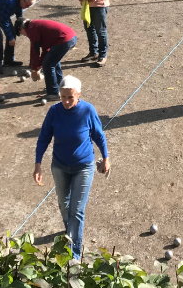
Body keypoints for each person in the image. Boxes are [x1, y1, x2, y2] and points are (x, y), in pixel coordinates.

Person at [33, 75, 109, 258]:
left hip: (83, 166)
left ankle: (74, 255)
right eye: (63, 97)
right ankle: (71, 231)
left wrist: (106, 157)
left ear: (79, 94)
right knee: (63, 204)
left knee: (77, 210)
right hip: (59, 166)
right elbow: (43, 138)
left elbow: (99, 135)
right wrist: (38, 164)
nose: (66, 101)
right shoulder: (54, 112)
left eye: (70, 97)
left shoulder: (88, 111)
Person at [19, 17, 78, 104]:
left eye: (21, 33)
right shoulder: (35, 25)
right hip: (71, 36)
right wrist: (38, 66)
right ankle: (59, 86)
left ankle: (53, 93)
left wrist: (34, 69)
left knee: (48, 64)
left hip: (64, 39)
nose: (24, 35)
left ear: (21, 28)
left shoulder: (32, 29)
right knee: (53, 61)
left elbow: (35, 51)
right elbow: (46, 50)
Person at [73, 0, 110, 66]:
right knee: (89, 28)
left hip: (99, 5)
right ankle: (93, 52)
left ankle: (102, 55)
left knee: (100, 31)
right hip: (86, 5)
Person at [0, 0, 34, 74]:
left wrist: (20, 24)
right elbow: (4, 22)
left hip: (3, 14)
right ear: (22, 0)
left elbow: (19, 11)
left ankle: (9, 60)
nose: (27, 7)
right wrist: (10, 38)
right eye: (27, 5)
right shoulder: (10, 2)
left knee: (13, 32)